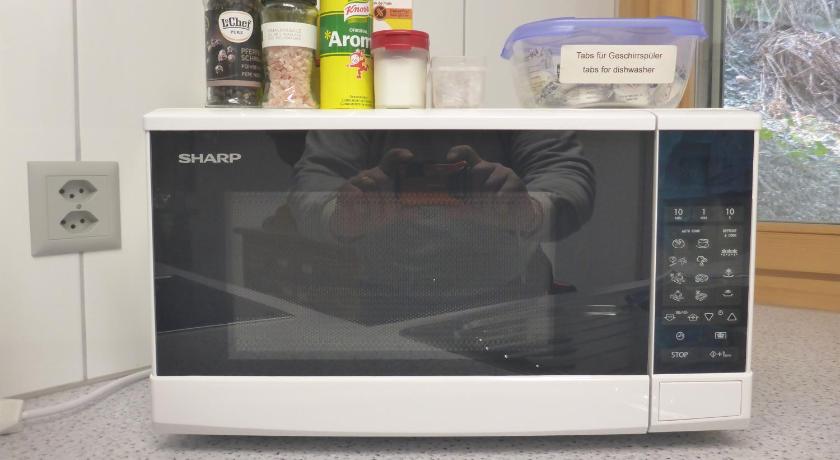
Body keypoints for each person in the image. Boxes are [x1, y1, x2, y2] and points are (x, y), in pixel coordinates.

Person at [287, 130, 596, 319]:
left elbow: (565, 174)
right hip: (384, 294)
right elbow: (315, 180)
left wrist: (527, 212)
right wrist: (340, 216)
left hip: (511, 291)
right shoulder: (353, 88)